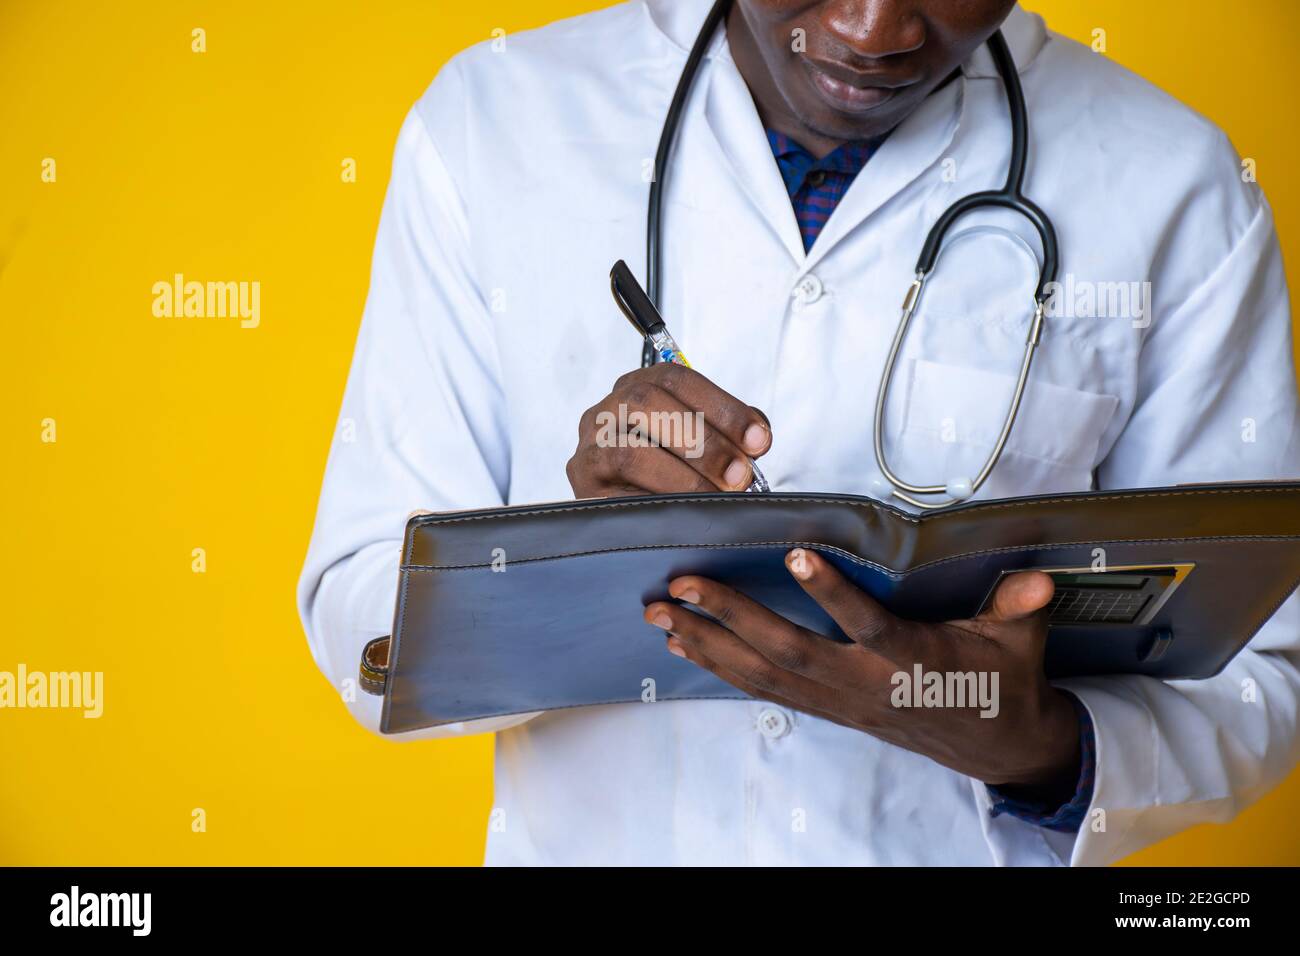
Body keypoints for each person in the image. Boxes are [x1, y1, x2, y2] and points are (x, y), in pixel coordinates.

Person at [297, 0, 1300, 865]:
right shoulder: (495, 121)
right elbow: (360, 625)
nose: (874, 30)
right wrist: (563, 554)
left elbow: (1267, 669)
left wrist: (1041, 745)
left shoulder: (1179, 186)